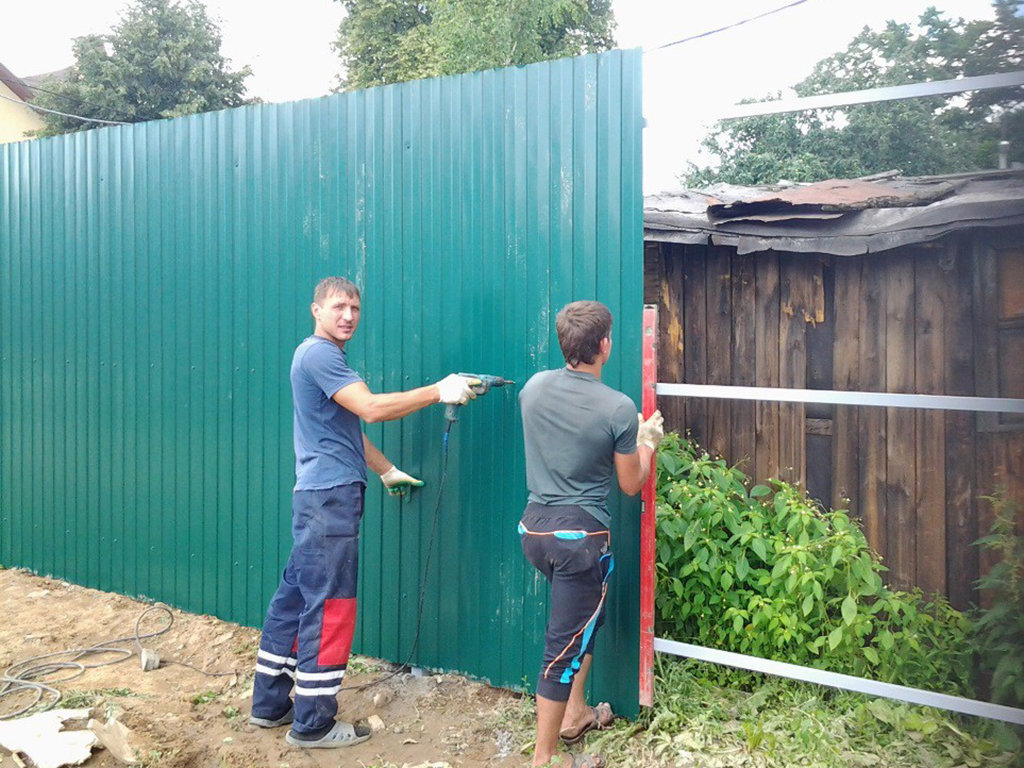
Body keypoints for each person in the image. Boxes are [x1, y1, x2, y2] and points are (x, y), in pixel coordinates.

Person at [248, 276, 480, 749]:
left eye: (355, 307)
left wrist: (387, 470)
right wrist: (440, 390)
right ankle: (312, 724)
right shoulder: (320, 354)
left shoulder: (319, 359)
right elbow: (371, 409)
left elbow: (347, 431)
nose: (348, 315)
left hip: (317, 497)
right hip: (330, 501)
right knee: (330, 606)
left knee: (294, 599)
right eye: (338, 306)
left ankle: (270, 703)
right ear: (316, 309)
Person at [518, 300, 663, 768]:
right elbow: (630, 483)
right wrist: (647, 442)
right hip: (580, 542)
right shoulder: (618, 407)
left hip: (535, 531)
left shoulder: (534, 388)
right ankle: (545, 759)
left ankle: (576, 712)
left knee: (584, 622)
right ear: (604, 346)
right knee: (561, 651)